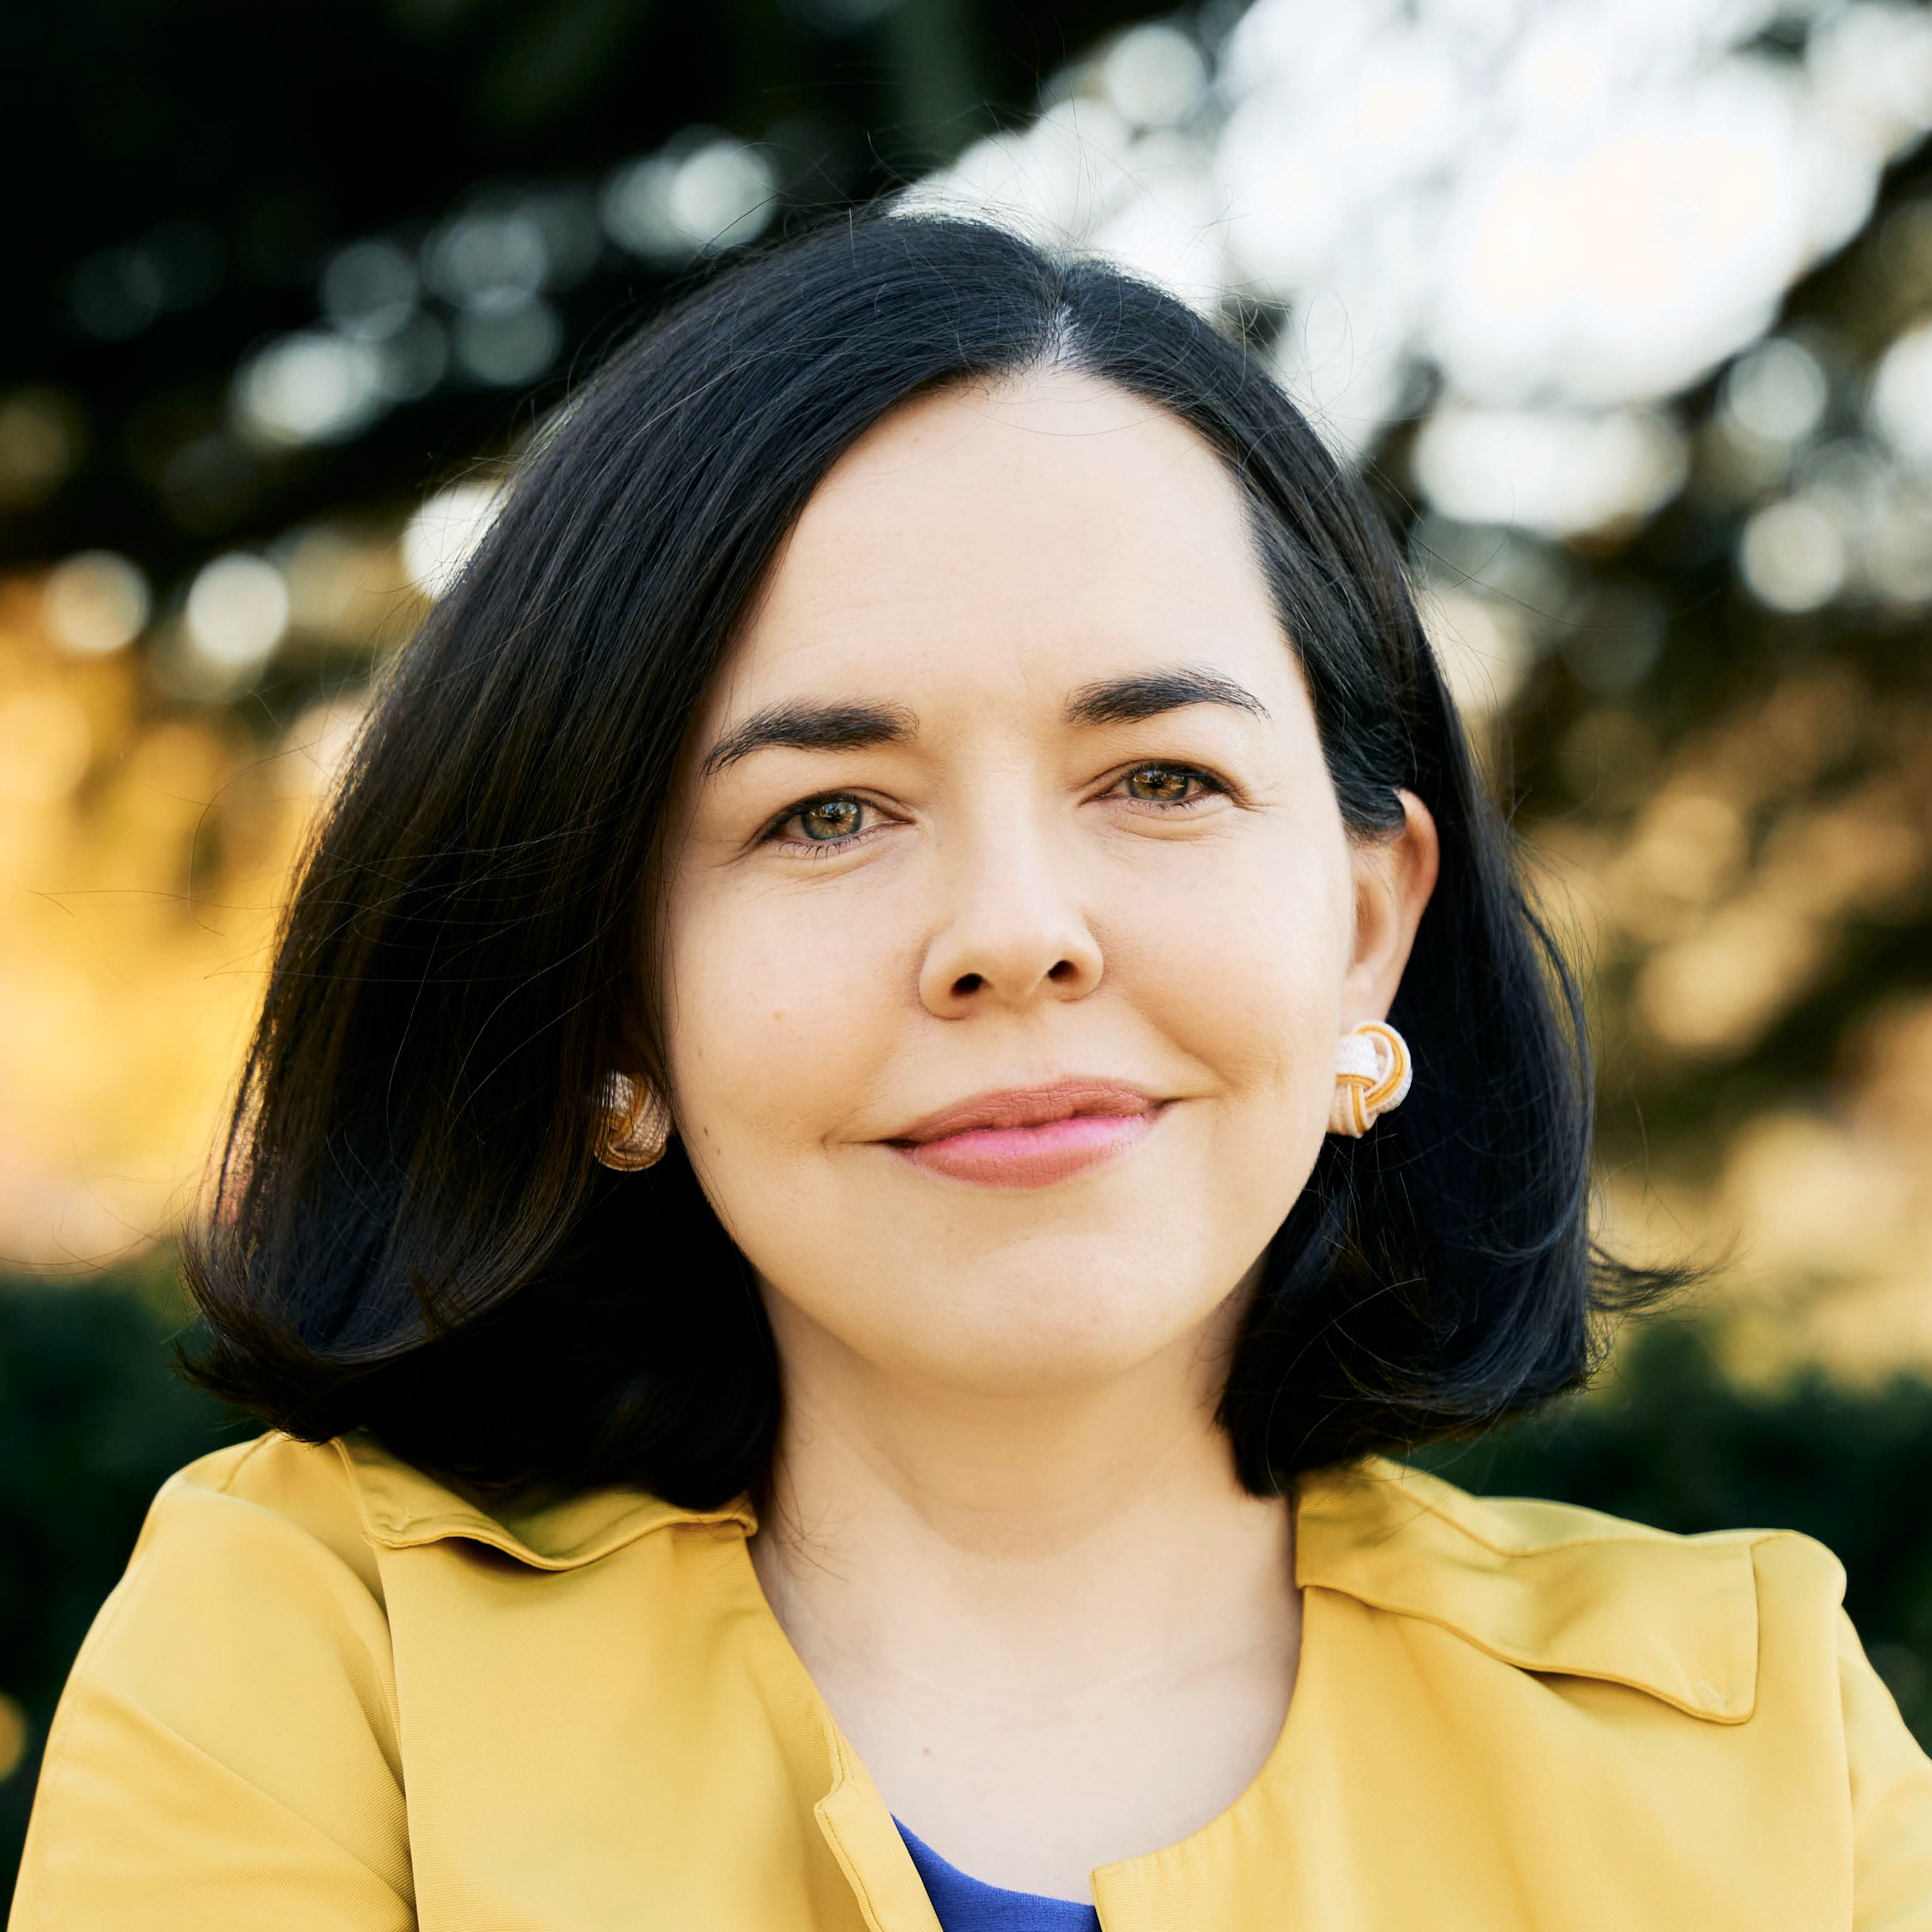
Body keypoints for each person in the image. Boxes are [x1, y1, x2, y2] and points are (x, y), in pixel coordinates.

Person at [11, 213, 1931, 1932]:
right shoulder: (315, 1668)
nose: (1014, 931)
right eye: (826, 809)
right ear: (610, 1006)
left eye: (1159, 779)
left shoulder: (1757, 1755)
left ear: (1367, 924)